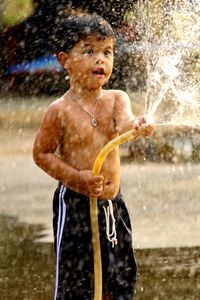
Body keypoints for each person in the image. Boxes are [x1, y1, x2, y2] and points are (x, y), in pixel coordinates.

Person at [32, 10, 154, 300]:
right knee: (78, 281)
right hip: (75, 206)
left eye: (107, 51)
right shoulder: (59, 110)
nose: (102, 59)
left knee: (120, 276)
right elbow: (41, 154)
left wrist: (138, 126)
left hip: (112, 206)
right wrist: (75, 178)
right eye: (89, 51)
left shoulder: (116, 99)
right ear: (65, 61)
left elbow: (126, 124)